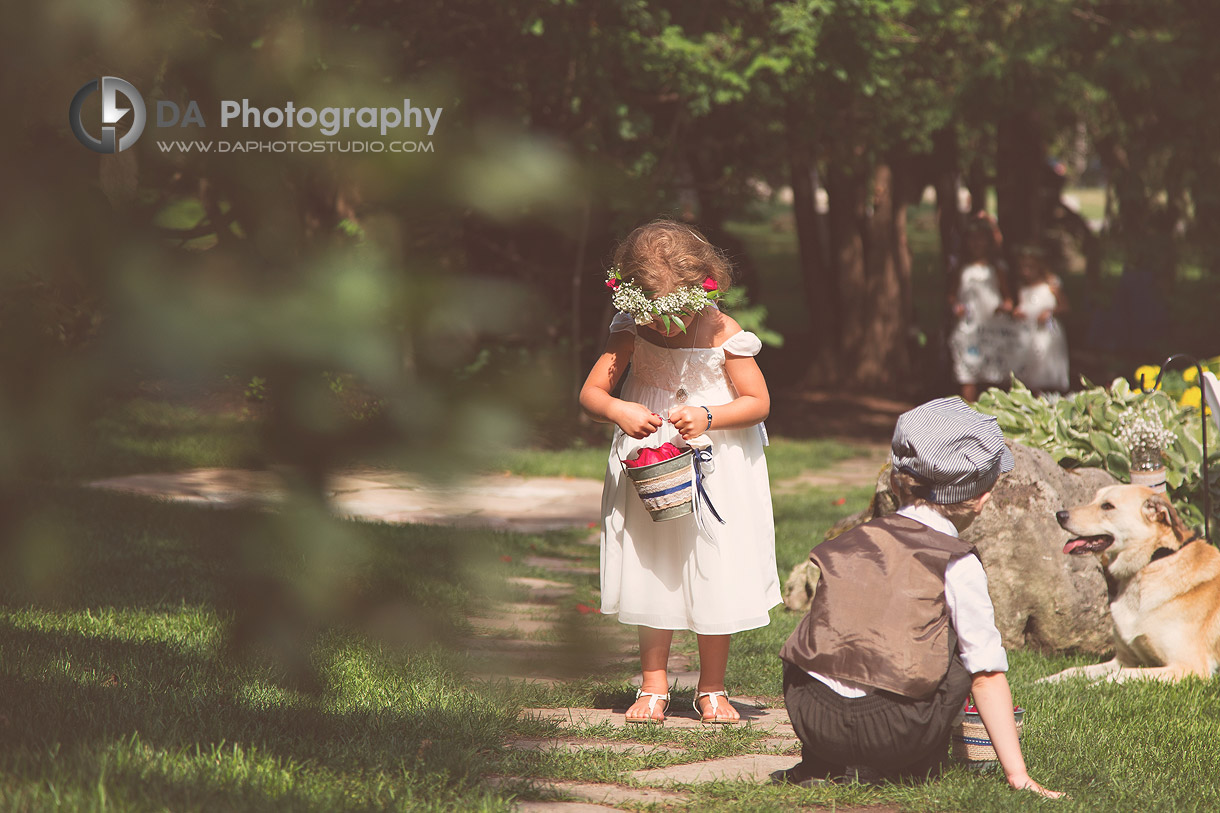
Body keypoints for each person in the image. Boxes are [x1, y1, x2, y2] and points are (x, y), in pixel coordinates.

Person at [774, 397, 1062, 798]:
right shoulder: (955, 560)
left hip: (811, 716)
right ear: (982, 496)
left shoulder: (850, 544)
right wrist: (1018, 775)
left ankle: (822, 763)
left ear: (895, 483)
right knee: (964, 646)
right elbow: (987, 674)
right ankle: (912, 766)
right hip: (894, 735)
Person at [579, 219, 780, 725]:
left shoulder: (724, 333)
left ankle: (712, 687)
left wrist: (709, 416)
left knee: (715, 561)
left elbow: (758, 402)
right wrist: (620, 410)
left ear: (706, 284)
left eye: (677, 313)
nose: (666, 327)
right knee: (654, 563)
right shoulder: (630, 326)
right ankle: (653, 684)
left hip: (716, 460)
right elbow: (592, 392)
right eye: (657, 314)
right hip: (651, 460)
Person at [948, 219, 1014, 401]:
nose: (976, 244)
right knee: (967, 370)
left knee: (994, 372)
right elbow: (952, 295)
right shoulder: (961, 267)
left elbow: (1008, 297)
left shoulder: (997, 268)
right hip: (969, 324)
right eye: (972, 239)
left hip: (992, 325)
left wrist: (1005, 307)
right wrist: (956, 307)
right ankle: (969, 411)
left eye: (981, 239)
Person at [1011, 246, 1070, 394]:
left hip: (1048, 334)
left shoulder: (1051, 284)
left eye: (1030, 266)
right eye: (1023, 267)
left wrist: (1049, 313)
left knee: (1046, 370)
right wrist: (1018, 312)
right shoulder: (1022, 287)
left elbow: (1065, 307)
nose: (1026, 271)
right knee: (1030, 372)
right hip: (1028, 333)